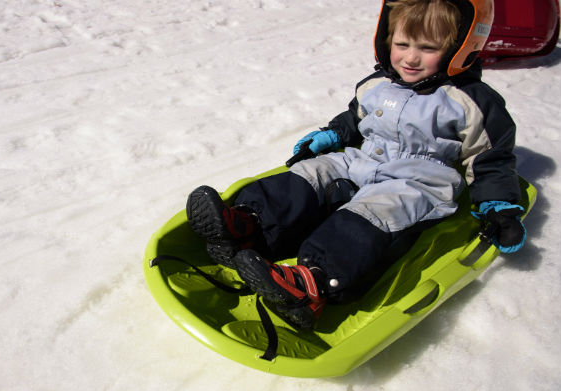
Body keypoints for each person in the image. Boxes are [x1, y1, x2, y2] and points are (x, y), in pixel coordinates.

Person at [186, 0, 527, 330]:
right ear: (386, 38)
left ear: (460, 47)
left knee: (372, 213)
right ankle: (249, 225)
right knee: (313, 173)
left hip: (417, 182)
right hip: (364, 160)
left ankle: (312, 284)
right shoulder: (377, 84)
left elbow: (490, 157)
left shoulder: (468, 101)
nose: (410, 57)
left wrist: (499, 207)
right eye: (402, 43)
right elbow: (356, 117)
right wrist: (334, 134)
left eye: (427, 48)